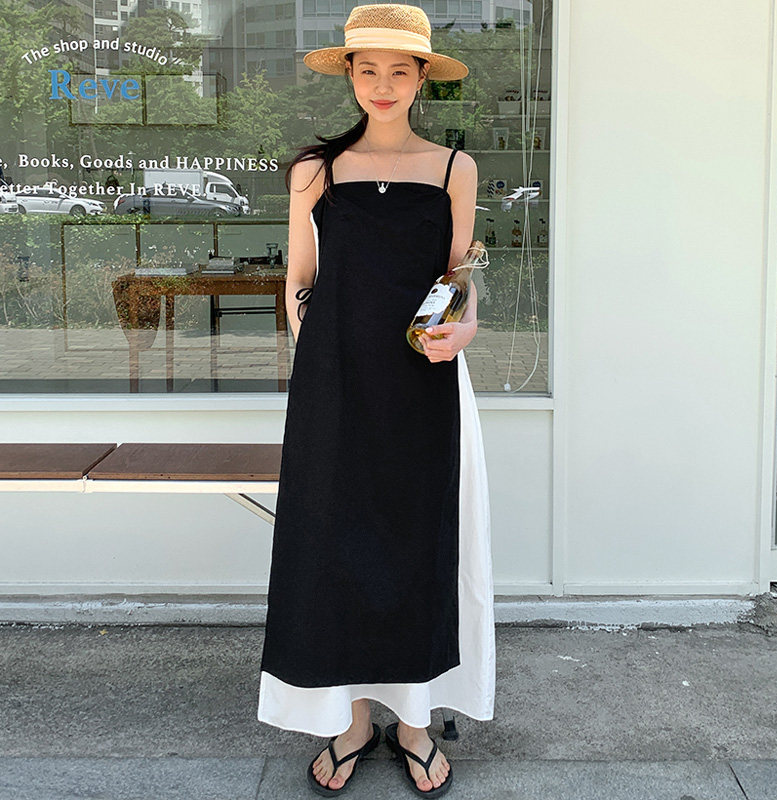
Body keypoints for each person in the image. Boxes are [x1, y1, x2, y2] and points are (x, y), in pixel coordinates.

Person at [257, 4, 495, 796]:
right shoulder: (314, 171)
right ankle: (352, 720)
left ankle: (416, 722)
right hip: (334, 386)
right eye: (369, 70)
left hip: (424, 386)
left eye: (399, 70)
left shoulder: (455, 168)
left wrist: (463, 327)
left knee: (420, 543)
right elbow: (298, 280)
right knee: (334, 547)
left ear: (422, 77)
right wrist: (319, 352)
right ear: (351, 76)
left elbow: (458, 279)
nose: (383, 85)